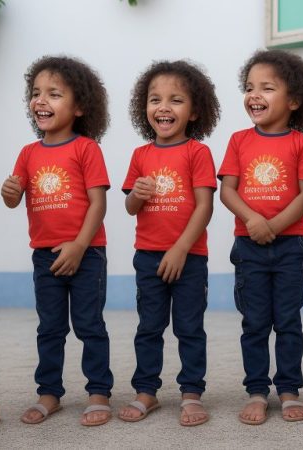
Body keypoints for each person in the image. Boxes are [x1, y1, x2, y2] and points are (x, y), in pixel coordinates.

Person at [0, 55, 114, 427]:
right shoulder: (28, 153)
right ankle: (49, 393)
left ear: (79, 106)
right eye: (36, 94)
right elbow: (14, 200)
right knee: (49, 327)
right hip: (45, 256)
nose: (41, 101)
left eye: (54, 93)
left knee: (89, 324)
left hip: (87, 253)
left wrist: (80, 245)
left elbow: (98, 203)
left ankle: (98, 391)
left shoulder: (86, 149)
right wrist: (10, 191)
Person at [219, 49, 303, 425]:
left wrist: (275, 226)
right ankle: (257, 390)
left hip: (290, 246)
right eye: (249, 88)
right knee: (255, 322)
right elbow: (227, 190)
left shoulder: (302, 144)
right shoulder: (238, 140)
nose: (254, 95)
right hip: (248, 245)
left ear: (293, 100)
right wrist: (252, 220)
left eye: (267, 88)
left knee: (288, 321)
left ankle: (290, 388)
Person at [118, 60, 220, 427]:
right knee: (149, 326)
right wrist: (138, 196)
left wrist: (180, 248)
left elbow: (205, 206)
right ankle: (147, 389)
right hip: (147, 257)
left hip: (189, 257)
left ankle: (191, 392)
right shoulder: (140, 156)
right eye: (155, 99)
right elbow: (130, 207)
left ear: (194, 112)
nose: (163, 107)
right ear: (143, 108)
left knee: (190, 328)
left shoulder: (198, 153)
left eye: (175, 100)